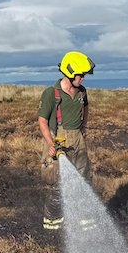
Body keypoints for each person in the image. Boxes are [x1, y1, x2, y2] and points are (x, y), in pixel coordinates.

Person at [37, 50, 95, 230]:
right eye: (81, 75)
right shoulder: (51, 94)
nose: (83, 79)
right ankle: (52, 220)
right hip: (57, 139)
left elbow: (85, 108)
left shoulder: (82, 92)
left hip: (77, 138)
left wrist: (83, 128)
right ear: (70, 74)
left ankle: (81, 216)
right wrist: (50, 144)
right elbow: (42, 121)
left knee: (83, 178)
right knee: (55, 182)